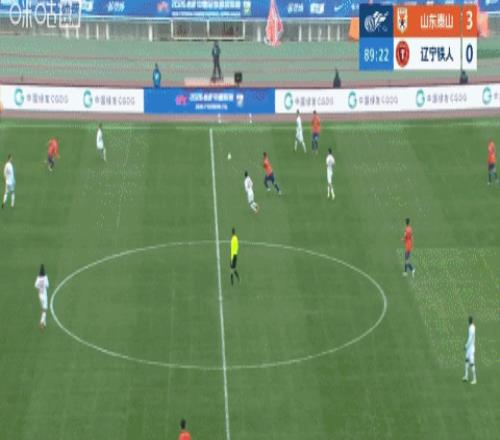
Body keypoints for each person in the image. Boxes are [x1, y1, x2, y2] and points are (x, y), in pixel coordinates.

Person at [35, 264, 49, 330]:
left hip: (40, 294)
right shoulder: (45, 277)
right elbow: (47, 285)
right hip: (44, 295)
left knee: (42, 309)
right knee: (45, 310)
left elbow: (36, 286)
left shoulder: (38, 278)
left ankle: (44, 324)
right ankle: (41, 322)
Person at [463, 316, 476, 385]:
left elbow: (470, 339)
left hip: (470, 349)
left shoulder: (471, 328)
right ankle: (466, 376)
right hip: (470, 348)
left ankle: (474, 379)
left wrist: (466, 346)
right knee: (466, 360)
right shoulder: (473, 327)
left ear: (469, 321)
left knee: (472, 363)